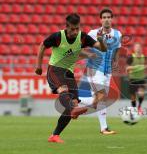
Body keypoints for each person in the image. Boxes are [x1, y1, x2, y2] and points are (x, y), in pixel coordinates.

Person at [35, 13, 106, 143]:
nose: (75, 31)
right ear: (67, 27)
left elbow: (103, 48)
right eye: (72, 29)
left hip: (69, 73)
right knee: (63, 90)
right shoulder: (58, 36)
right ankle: (73, 110)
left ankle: (54, 136)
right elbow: (42, 46)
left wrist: (101, 40)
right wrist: (38, 66)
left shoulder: (82, 37)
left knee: (72, 104)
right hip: (55, 70)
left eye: (77, 28)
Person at [78, 8, 121, 135]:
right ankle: (103, 127)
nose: (107, 19)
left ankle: (75, 99)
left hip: (108, 71)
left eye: (109, 17)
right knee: (101, 96)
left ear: (112, 19)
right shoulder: (92, 33)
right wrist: (88, 56)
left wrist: (116, 62)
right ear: (100, 19)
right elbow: (80, 48)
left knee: (100, 99)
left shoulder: (118, 34)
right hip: (95, 69)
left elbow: (117, 50)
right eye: (104, 17)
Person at [126, 42, 147, 115]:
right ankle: (134, 109)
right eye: (136, 47)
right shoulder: (131, 57)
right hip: (132, 78)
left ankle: (139, 107)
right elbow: (127, 68)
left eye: (139, 47)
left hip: (141, 78)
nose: (138, 48)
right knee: (133, 96)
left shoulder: (144, 57)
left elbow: (145, 66)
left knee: (141, 93)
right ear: (134, 49)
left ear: (141, 49)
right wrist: (137, 67)